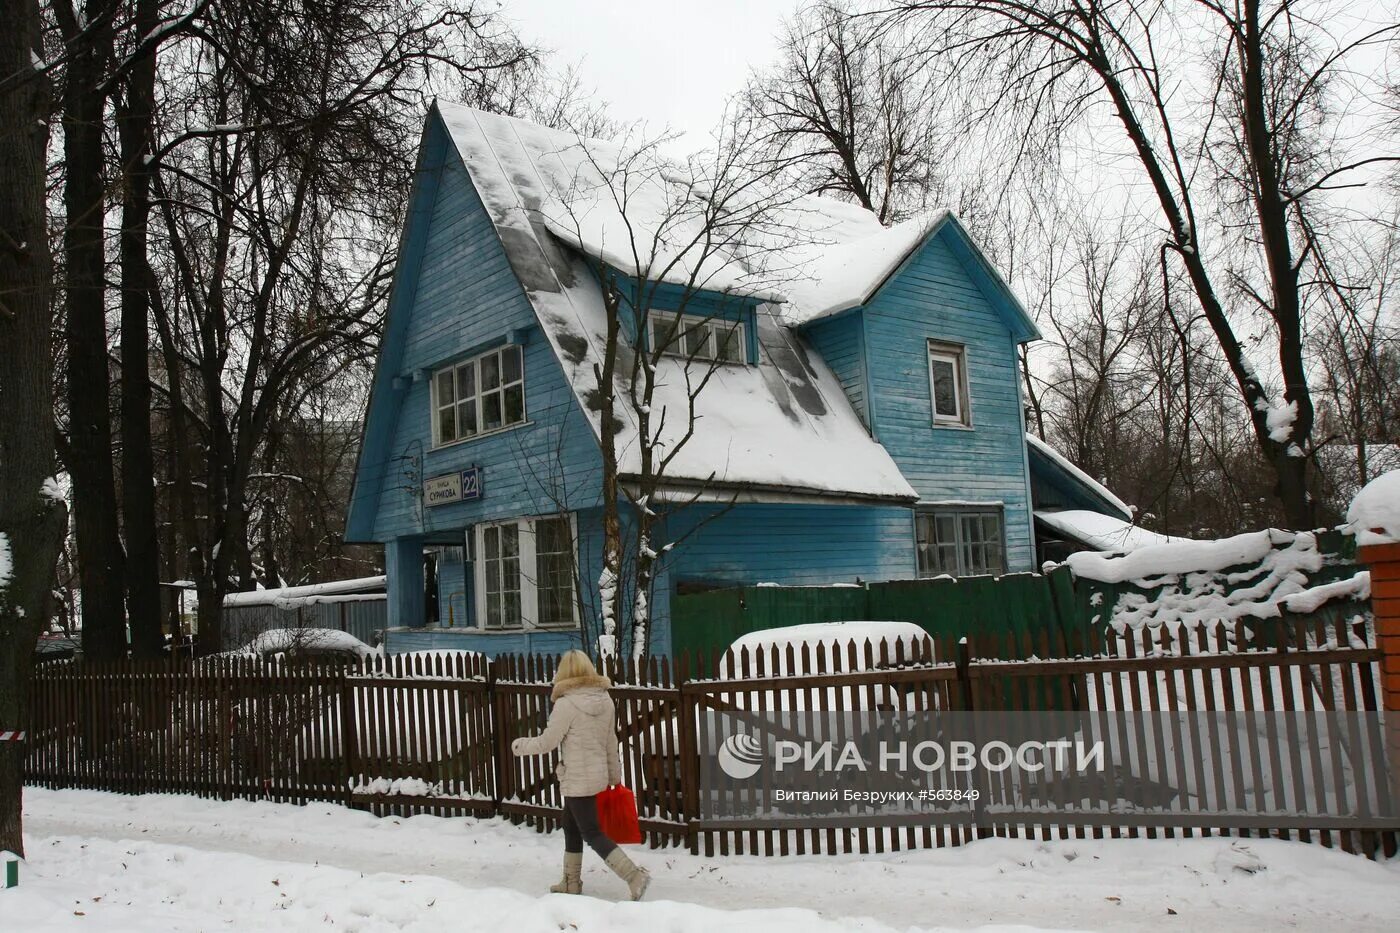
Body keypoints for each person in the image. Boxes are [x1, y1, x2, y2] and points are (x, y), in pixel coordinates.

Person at [511, 649, 651, 900]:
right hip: (595, 777)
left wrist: (520, 745)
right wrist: (613, 776)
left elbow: (548, 742)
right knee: (571, 826)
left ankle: (634, 875)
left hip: (577, 779)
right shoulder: (605, 700)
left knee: (592, 833)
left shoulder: (566, 704)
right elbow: (611, 741)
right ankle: (571, 882)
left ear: (564, 672)